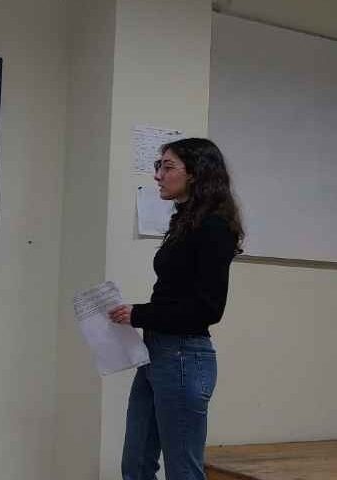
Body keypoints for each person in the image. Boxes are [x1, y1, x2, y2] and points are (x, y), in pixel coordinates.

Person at [107, 138, 244, 480]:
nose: (158, 175)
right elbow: (173, 295)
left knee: (183, 471)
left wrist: (138, 314)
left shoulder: (214, 227)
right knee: (136, 465)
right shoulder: (185, 221)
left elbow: (207, 310)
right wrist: (138, 316)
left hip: (183, 356)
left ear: (196, 173)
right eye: (159, 166)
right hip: (156, 351)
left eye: (168, 167)